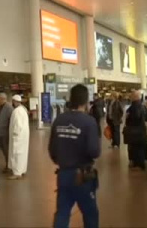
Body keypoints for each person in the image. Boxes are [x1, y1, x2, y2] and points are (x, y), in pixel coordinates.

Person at [48, 84, 100, 228]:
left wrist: (63, 160)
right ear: (86, 101)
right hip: (83, 176)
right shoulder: (89, 122)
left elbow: (52, 150)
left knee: (62, 213)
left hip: (63, 174)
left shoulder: (59, 120)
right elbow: (94, 151)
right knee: (90, 213)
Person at [124, 90, 147, 170]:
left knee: (136, 148)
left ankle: (139, 165)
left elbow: (136, 116)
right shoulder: (141, 105)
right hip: (141, 130)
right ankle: (139, 164)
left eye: (131, 96)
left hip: (135, 130)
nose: (130, 97)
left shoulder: (134, 106)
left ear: (135, 97)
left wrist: (128, 117)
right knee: (139, 147)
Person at [8, 95, 30, 180]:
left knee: (16, 154)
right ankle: (21, 170)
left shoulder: (17, 111)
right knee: (22, 154)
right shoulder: (23, 110)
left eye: (13, 101)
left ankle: (17, 173)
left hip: (18, 137)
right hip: (23, 136)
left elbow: (17, 124)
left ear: (15, 101)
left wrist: (15, 134)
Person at [0, 93, 14, 173]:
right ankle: (8, 165)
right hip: (0, 132)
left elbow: (11, 120)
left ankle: (9, 166)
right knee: (4, 150)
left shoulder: (8, 108)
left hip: (5, 133)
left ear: (2, 99)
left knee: (7, 151)